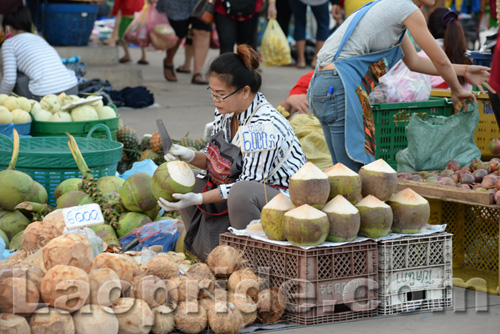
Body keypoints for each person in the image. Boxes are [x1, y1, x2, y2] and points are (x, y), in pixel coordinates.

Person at [157, 45, 307, 260]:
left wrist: (198, 198)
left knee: (240, 194)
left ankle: (252, 263)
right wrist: (189, 156)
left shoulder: (262, 126)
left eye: (221, 95)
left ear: (245, 91)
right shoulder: (226, 112)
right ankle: (207, 256)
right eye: (213, 93)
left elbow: (246, 184)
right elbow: (216, 160)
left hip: (285, 197)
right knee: (192, 180)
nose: (216, 100)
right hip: (248, 187)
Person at [308, 0, 492, 173]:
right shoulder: (407, 9)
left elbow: (415, 62)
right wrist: (457, 89)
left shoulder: (393, 7)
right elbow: (440, 60)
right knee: (350, 174)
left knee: (341, 171)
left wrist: (465, 70)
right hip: (339, 85)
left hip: (324, 84)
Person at [0, 6, 78, 99]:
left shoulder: (9, 43)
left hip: (45, 95)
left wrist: (2, 98)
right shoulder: (38, 38)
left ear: (8, 27)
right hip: (72, 89)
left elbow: (9, 80)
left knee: (12, 72)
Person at [156, 0, 212, 84]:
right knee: (178, 33)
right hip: (176, 3)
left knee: (202, 31)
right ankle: (169, 60)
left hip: (202, 1)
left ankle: (197, 72)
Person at [287, 0, 330, 68]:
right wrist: (335, 3)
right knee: (323, 25)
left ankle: (301, 61)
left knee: (299, 23)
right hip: (320, 2)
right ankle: (316, 60)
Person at [111, 0, 149, 64]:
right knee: (141, 35)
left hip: (127, 14)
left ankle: (127, 55)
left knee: (122, 35)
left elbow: (118, 2)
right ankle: (144, 56)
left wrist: (114, 12)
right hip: (140, 12)